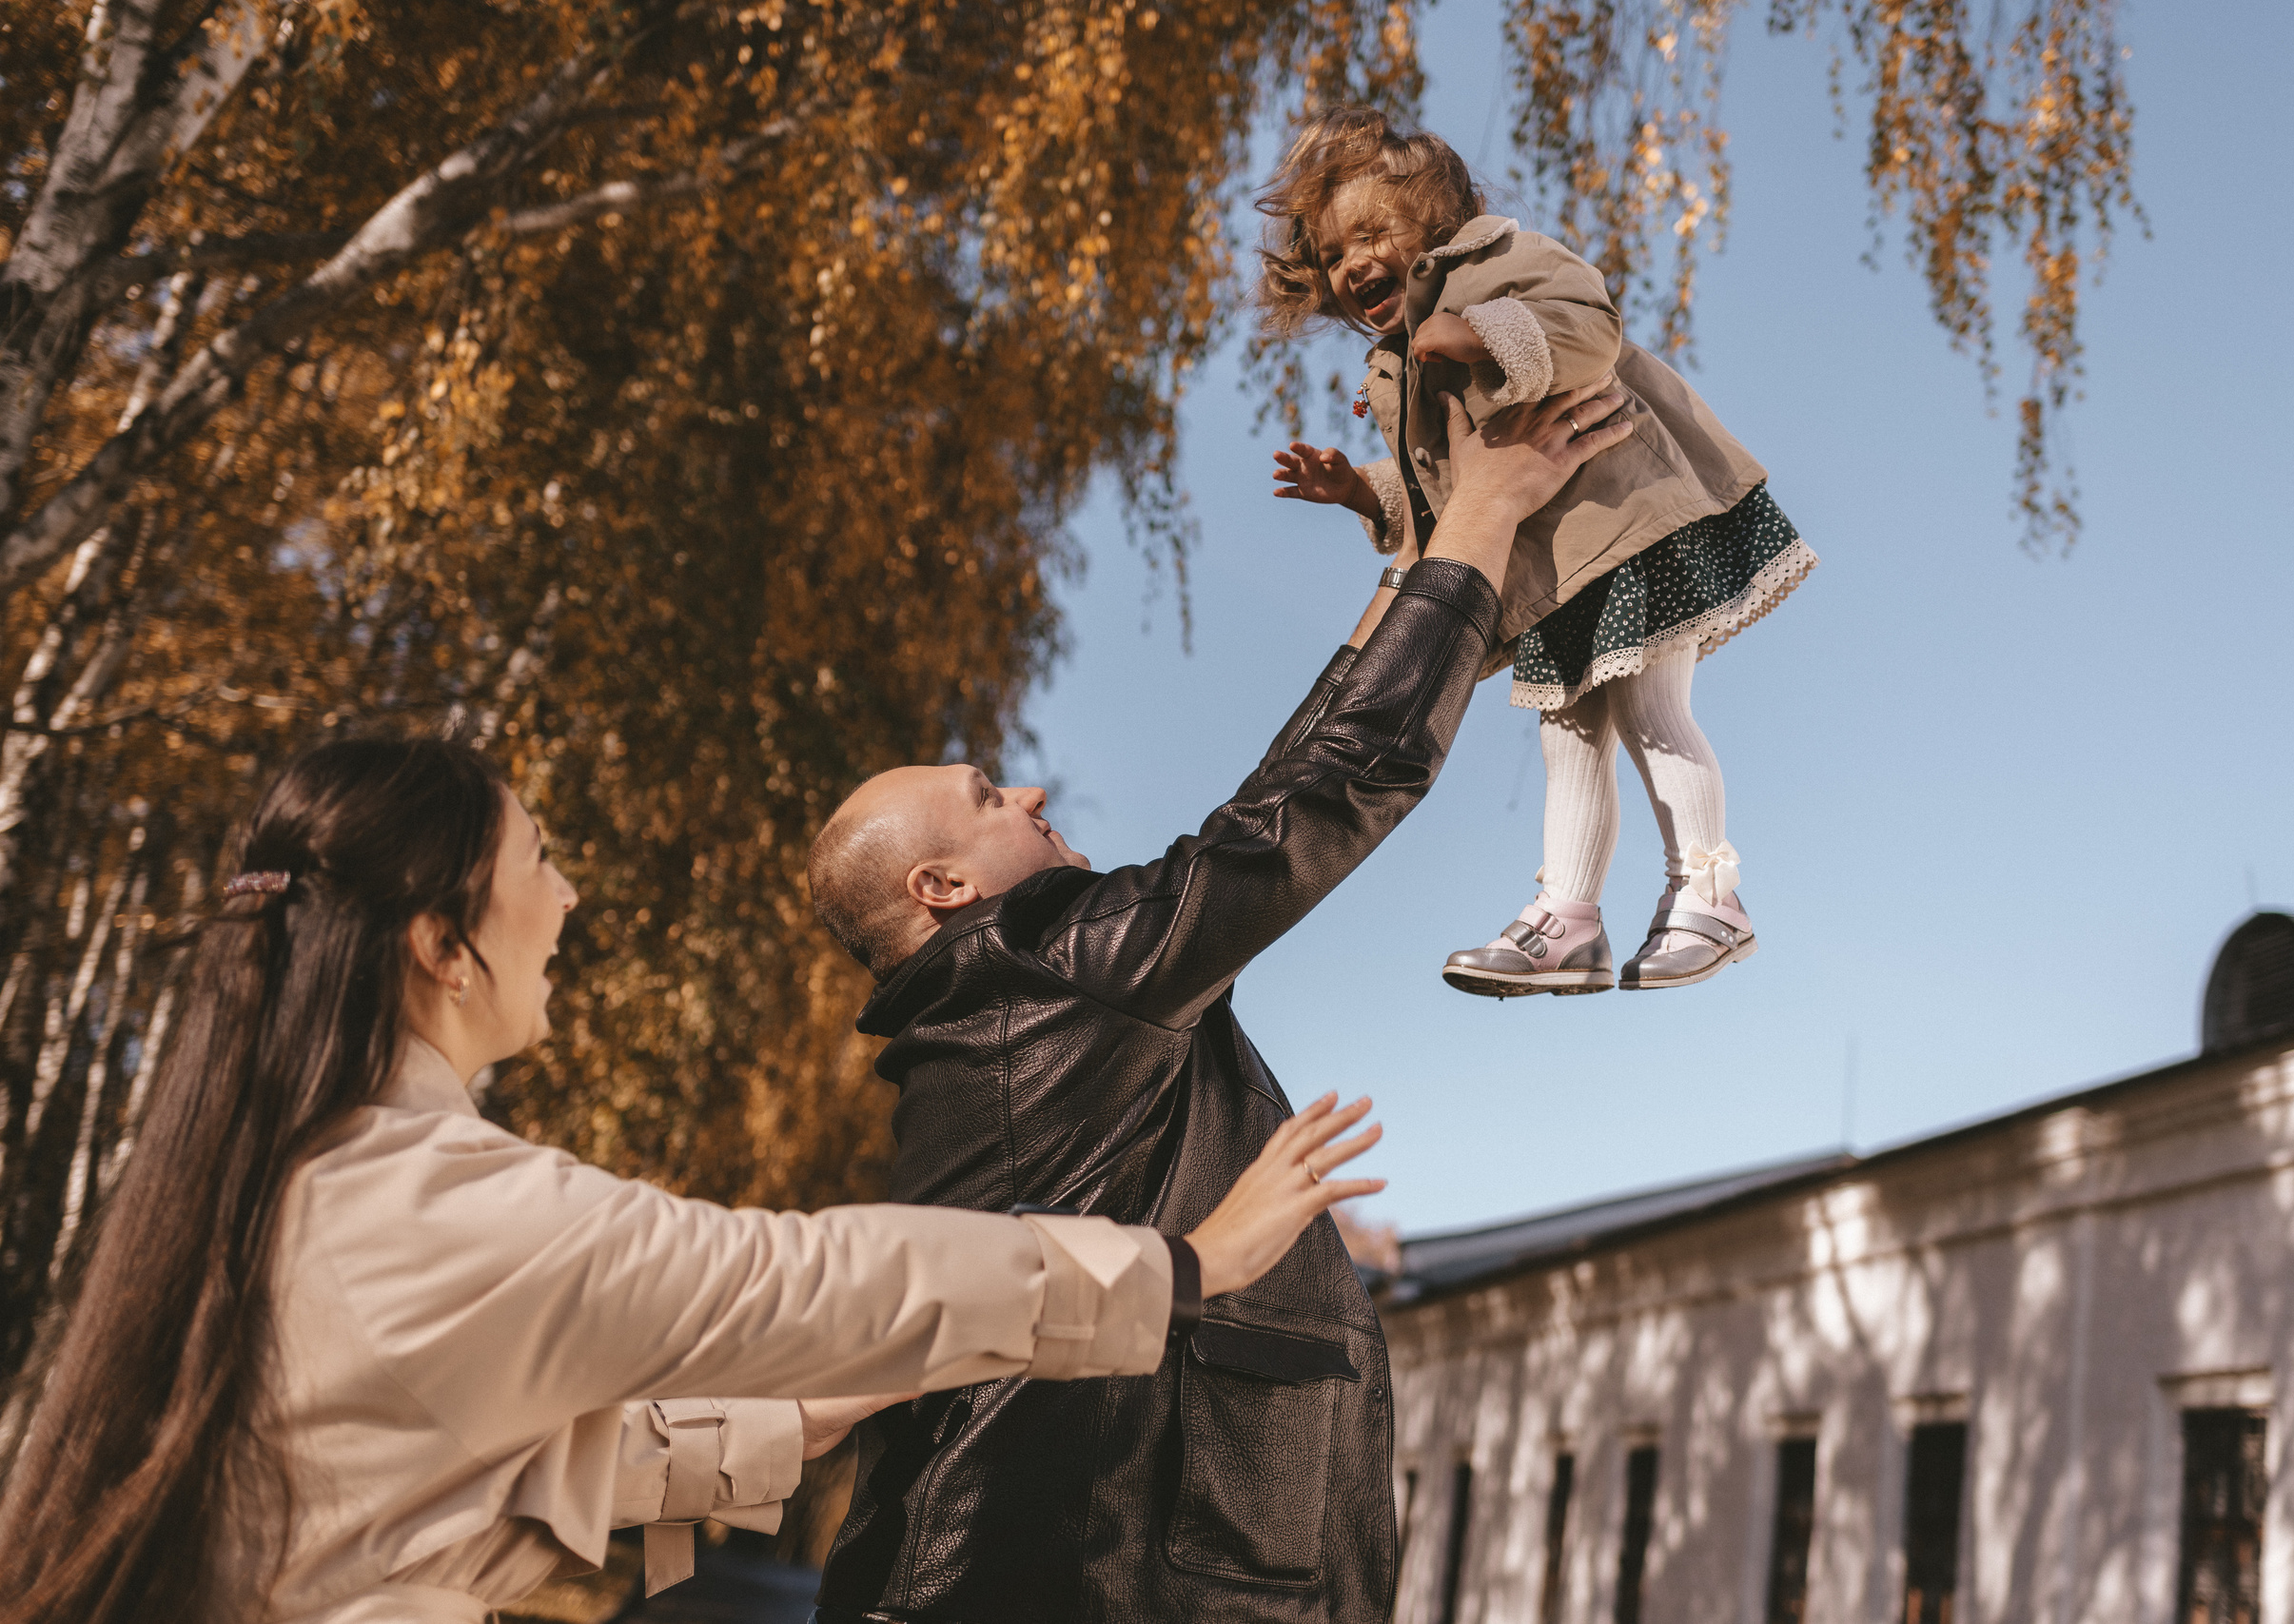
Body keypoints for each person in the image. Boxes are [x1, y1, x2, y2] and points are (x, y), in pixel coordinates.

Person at [0, 739, 1382, 1624]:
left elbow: (521, 1482)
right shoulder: (426, 1197)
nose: (568, 898)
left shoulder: (300, 1179)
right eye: (540, 862)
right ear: (440, 945)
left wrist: (824, 1406)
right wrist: (1179, 1266)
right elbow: (795, 1278)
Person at [805, 377, 1632, 1623]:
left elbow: (1278, 795)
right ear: (943, 887)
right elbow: (1310, 803)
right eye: (986, 797)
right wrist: (1482, 516)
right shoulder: (1040, 966)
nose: (1028, 794)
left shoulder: (1003, 1008)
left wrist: (1423, 563)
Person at [1261, 106, 1820, 996]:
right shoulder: (1397, 362)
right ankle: (1569, 919)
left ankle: (1710, 894)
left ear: (1437, 222)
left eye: (1371, 234)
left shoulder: (1498, 261)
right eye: (1333, 254)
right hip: (1557, 571)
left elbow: (1588, 328)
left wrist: (1482, 333)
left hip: (1629, 524)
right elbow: (1455, 482)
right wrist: (1362, 490)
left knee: (1650, 709)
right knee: (1568, 738)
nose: (1352, 263)